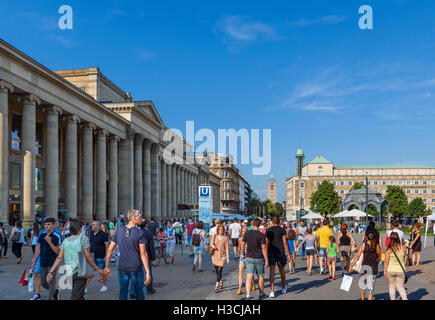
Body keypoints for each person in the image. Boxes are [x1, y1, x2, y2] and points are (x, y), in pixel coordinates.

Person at [47, 219, 104, 300]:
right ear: (80, 228)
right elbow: (88, 257)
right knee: (76, 295)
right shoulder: (83, 239)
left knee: (77, 294)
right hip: (80, 271)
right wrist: (98, 269)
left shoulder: (65, 241)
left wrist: (51, 272)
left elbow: (59, 258)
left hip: (69, 271)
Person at [104, 209, 151, 300]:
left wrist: (107, 266)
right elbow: (143, 253)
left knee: (123, 292)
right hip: (136, 267)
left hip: (122, 267)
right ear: (133, 218)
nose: (141, 219)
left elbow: (110, 250)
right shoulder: (140, 233)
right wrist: (147, 272)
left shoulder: (119, 231)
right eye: (140, 217)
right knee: (139, 292)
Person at [30, 217, 62, 300]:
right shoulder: (41, 234)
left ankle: (49, 297)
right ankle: (55, 292)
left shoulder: (57, 235)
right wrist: (34, 260)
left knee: (51, 282)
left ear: (53, 225)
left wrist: (50, 242)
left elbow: (58, 252)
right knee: (43, 282)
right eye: (45, 224)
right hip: (42, 261)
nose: (46, 226)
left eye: (48, 224)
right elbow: (38, 248)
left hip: (52, 262)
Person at [240, 218, 268, 300]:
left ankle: (248, 295)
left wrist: (243, 254)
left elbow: (242, 244)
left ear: (252, 224)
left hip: (249, 257)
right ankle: (261, 294)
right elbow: (263, 248)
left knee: (249, 276)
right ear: (259, 225)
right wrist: (266, 259)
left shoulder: (247, 233)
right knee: (261, 276)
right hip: (259, 257)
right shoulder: (261, 235)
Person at [349, 231, 382, 300]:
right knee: (371, 288)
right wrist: (377, 262)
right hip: (373, 269)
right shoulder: (377, 246)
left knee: (362, 287)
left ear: (366, 238)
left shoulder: (364, 245)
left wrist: (351, 265)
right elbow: (379, 257)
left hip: (364, 268)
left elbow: (357, 256)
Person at [265, 216, 290, 297]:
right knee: (281, 270)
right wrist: (288, 254)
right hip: (280, 252)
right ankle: (283, 287)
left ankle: (272, 291)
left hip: (271, 252)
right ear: (279, 222)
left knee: (272, 272)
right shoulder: (282, 230)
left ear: (272, 222)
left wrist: (265, 254)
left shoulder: (268, 230)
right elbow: (285, 243)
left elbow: (266, 243)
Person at [86, 221, 110, 293]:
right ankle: (85, 287)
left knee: (102, 272)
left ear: (98, 227)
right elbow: (90, 244)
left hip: (101, 256)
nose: (92, 226)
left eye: (94, 225)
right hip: (92, 256)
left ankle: (104, 285)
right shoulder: (91, 233)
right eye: (92, 225)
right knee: (89, 272)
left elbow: (107, 245)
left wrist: (106, 256)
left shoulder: (104, 234)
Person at [384, 232, 408, 300]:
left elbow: (386, 261)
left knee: (392, 287)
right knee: (401, 287)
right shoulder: (403, 247)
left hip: (391, 270)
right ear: (398, 238)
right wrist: (404, 265)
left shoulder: (389, 249)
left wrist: (385, 271)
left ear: (390, 239)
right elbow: (406, 257)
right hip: (401, 270)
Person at [211, 225, 230, 293]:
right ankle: (220, 281)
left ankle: (216, 285)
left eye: (222, 229)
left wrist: (227, 257)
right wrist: (213, 246)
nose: (220, 231)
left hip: (222, 256)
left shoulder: (225, 238)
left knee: (220, 269)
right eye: (219, 229)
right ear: (217, 230)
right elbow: (211, 244)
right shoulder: (215, 236)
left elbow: (227, 248)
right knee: (217, 270)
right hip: (215, 255)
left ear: (224, 230)